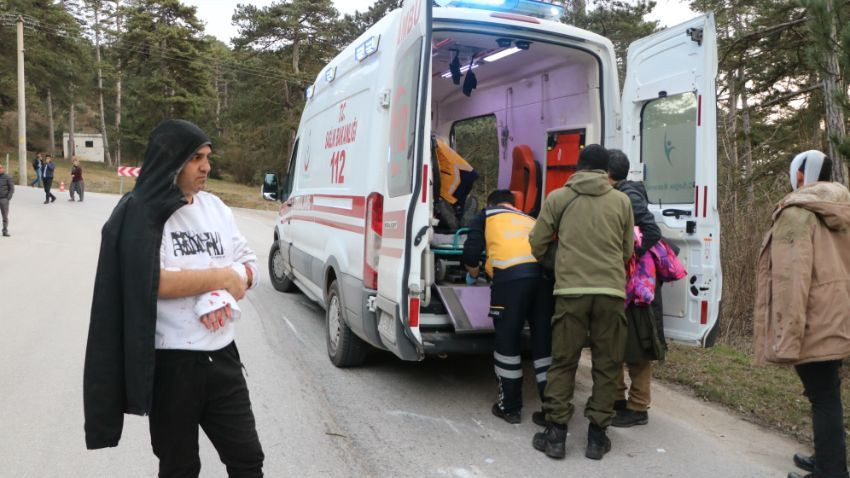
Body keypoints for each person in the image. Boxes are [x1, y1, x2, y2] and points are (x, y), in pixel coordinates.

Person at [83, 119, 265, 477]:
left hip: (222, 358)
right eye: (195, 157)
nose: (206, 167)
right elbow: (152, 280)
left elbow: (250, 265)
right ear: (171, 160)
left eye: (208, 157)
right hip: (171, 365)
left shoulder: (216, 208)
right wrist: (222, 278)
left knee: (247, 459)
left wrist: (223, 290)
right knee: (180, 466)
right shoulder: (142, 212)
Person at [528, 144, 634, 461]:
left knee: (563, 362)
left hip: (570, 292)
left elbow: (536, 243)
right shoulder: (622, 201)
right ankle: (597, 439)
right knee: (607, 365)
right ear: (605, 171)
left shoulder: (559, 197)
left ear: (579, 166)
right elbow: (627, 251)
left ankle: (556, 436)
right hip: (611, 293)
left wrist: (559, 263)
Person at [753, 150, 850, 478]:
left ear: (800, 176)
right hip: (838, 315)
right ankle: (827, 457)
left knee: (822, 395)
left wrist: (787, 337)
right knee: (824, 391)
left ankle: (830, 470)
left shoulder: (797, 213)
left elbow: (790, 283)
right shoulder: (841, 207)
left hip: (812, 320)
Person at [462, 189, 553, 425]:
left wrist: (473, 273)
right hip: (543, 280)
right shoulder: (529, 219)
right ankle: (552, 410)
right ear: (514, 205)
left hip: (510, 282)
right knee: (543, 343)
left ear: (491, 203)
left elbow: (471, 252)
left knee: (507, 341)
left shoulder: (486, 215)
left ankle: (509, 407)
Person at [606, 149, 663, 428]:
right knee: (616, 342)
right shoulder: (623, 194)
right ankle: (617, 398)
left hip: (637, 287)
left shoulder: (629, 197)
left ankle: (638, 406)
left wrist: (629, 256)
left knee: (637, 347)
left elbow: (652, 232)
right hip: (627, 284)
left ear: (608, 174)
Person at [0, 164, 13, 237]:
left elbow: (11, 188)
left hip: (4, 199)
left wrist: (8, 198)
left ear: (2, 169)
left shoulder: (7, 177)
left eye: (0, 168)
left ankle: (5, 231)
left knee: (4, 216)